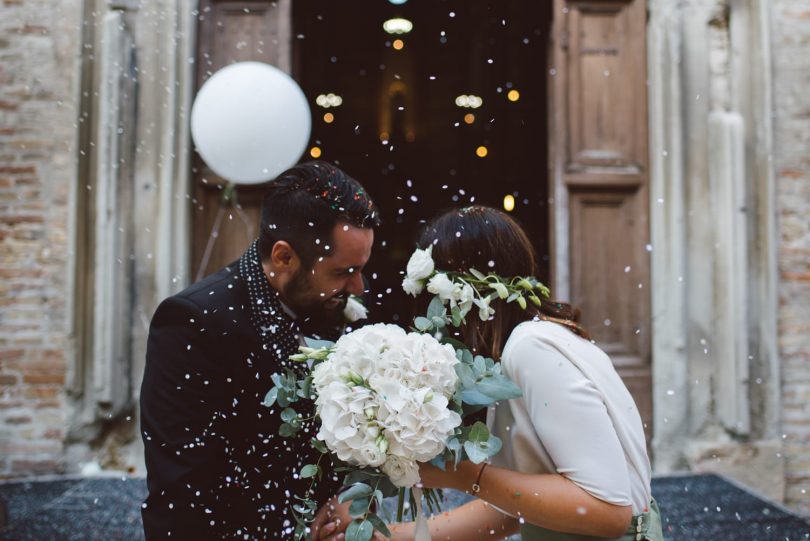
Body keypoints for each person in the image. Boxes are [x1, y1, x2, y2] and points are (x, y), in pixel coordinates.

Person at [380, 206, 663, 540]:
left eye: (431, 300)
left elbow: (607, 511)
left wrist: (462, 475)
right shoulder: (527, 346)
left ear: (458, 295)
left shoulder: (531, 348)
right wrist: (396, 536)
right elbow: (519, 509)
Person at [140, 161, 379, 540]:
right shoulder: (194, 322)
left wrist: (351, 497)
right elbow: (183, 493)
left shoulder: (333, 309)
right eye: (343, 271)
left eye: (361, 268)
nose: (359, 286)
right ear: (284, 257)